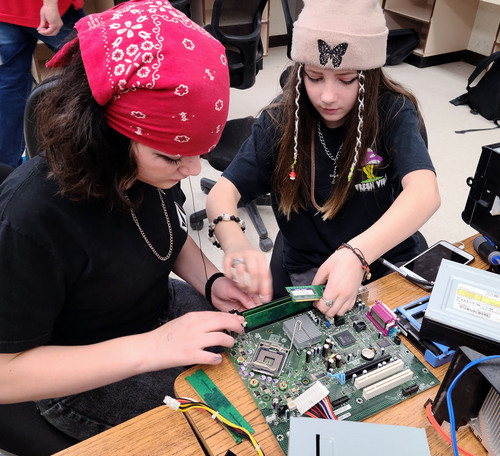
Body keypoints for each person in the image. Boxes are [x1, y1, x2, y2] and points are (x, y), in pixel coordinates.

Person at [0, 0, 254, 441]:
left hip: (156, 315)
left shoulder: (150, 164)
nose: (192, 170)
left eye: (198, 153)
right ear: (108, 133)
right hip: (78, 372)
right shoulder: (31, 217)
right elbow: (6, 375)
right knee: (224, 433)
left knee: (264, 365)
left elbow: (166, 236)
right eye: (173, 156)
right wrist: (155, 347)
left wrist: (213, 281)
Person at [206, 0, 441, 318]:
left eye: (346, 80)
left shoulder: (393, 112)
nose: (328, 96)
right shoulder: (280, 120)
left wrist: (357, 254)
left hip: (384, 258)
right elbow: (223, 193)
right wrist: (234, 241)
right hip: (310, 269)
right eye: (314, 77)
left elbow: (424, 193)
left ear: (369, 75)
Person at [0, 0, 85, 167]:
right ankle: (99, 153)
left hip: (7, 9)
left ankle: (6, 172)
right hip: (45, 8)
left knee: (10, 90)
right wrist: (50, 4)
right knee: (90, 70)